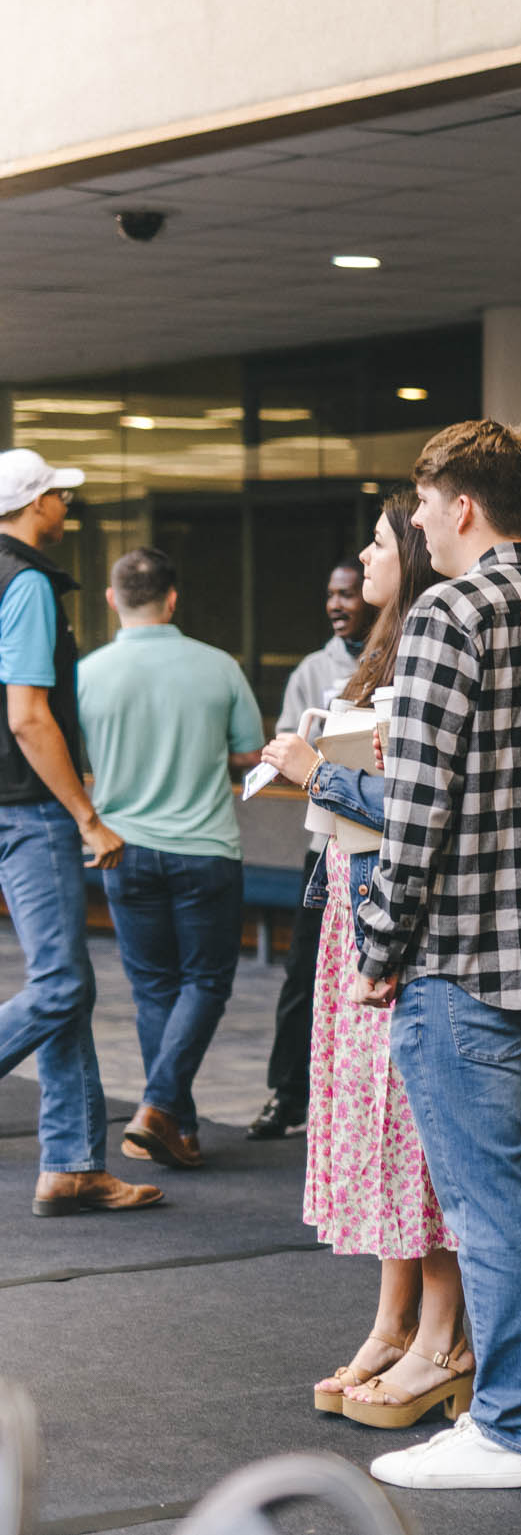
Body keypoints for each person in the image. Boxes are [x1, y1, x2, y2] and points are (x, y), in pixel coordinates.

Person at [354, 421, 521, 1491]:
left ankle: (507, 1428)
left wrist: (380, 941)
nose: (418, 522)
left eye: (424, 503)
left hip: (460, 956)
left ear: (462, 504)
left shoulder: (449, 614)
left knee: (485, 1199)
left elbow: (416, 808)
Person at [256, 495, 467, 1429]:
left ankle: (442, 1335)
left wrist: (319, 771)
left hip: (398, 915)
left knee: (415, 1127)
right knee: (382, 1129)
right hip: (356, 906)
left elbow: (424, 806)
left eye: (379, 541)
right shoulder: (385, 646)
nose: (364, 557)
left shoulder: (431, 641)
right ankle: (393, 1320)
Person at [0, 452, 156, 1217]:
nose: (66, 506)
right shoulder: (26, 582)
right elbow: (28, 715)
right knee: (62, 982)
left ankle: (72, 1163)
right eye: (60, 495)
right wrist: (86, 815)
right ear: (36, 504)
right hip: (29, 809)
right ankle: (72, 1162)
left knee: (66, 983)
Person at [79, 548, 266, 1170]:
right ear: (173, 598)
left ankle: (174, 1125)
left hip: (122, 851)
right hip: (205, 849)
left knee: (153, 989)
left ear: (112, 599)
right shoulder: (219, 667)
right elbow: (250, 754)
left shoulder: (87, 674)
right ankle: (161, 1109)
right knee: (206, 983)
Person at [252, 558, 377, 1141]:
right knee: (304, 972)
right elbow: (287, 745)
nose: (336, 604)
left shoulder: (396, 657)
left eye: (347, 594)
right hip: (324, 846)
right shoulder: (312, 669)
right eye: (331, 594)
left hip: (379, 843)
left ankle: (355, 1103)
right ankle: (288, 1094)